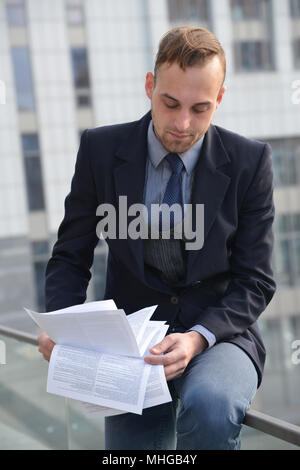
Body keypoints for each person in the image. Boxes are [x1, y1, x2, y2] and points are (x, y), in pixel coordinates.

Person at [38, 26, 276, 450]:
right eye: (170, 103)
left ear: (219, 100)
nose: (183, 124)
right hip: (130, 343)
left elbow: (256, 280)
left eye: (200, 108)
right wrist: (63, 324)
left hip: (219, 332)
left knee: (210, 405)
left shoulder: (250, 162)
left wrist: (198, 336)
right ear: (150, 87)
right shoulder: (99, 149)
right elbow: (71, 255)